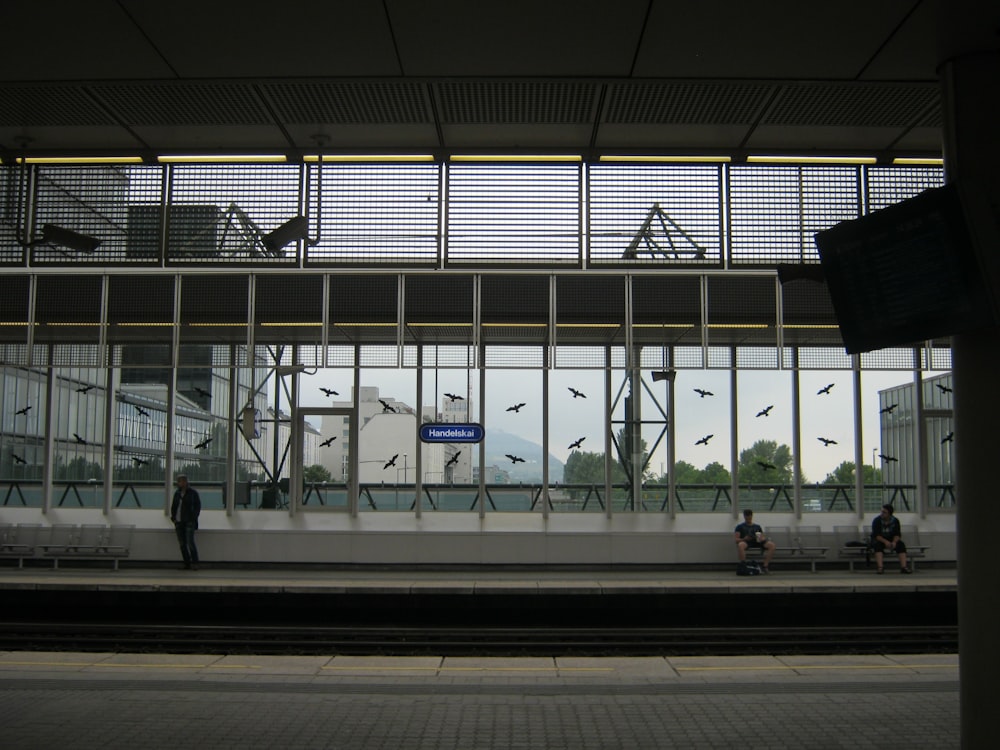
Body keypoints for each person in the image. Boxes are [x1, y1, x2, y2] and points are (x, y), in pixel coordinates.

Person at [170, 474, 201, 570]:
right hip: (179, 521)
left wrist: (193, 517)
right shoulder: (177, 494)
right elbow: (174, 506)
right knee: (182, 544)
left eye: (183, 481)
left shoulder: (193, 493)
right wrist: (174, 519)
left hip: (189, 521)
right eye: (180, 481)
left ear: (187, 482)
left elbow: (197, 506)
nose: (181, 483)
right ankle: (186, 563)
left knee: (190, 542)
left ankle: (195, 563)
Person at [871, 504, 910, 574]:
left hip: (891, 539)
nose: (882, 514)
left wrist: (894, 542)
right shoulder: (877, 520)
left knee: (901, 545)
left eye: (884, 512)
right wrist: (886, 542)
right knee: (877, 545)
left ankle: (904, 567)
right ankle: (880, 567)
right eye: (881, 512)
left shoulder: (895, 521)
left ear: (889, 513)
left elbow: (897, 534)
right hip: (880, 539)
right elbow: (876, 535)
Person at [734, 509, 775, 573]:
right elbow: (736, 539)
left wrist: (762, 538)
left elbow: (762, 536)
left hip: (757, 541)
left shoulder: (757, 526)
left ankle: (765, 566)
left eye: (749, 517)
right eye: (747, 517)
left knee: (771, 545)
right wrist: (744, 539)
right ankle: (743, 565)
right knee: (740, 545)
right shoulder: (740, 527)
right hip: (747, 542)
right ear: (744, 517)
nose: (748, 518)